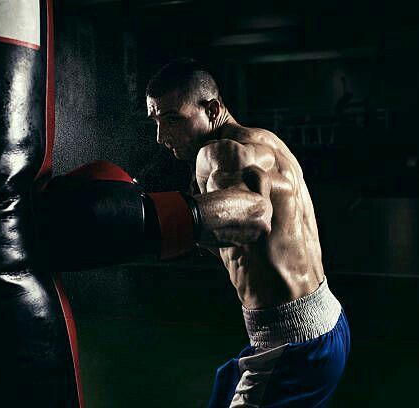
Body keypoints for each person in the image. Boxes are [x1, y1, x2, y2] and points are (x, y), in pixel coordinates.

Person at [146, 58, 351, 407]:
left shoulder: (216, 152)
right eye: (155, 120)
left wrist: (146, 221)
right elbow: (237, 243)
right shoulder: (266, 141)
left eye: (172, 118)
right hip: (328, 324)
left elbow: (255, 214)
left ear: (211, 109)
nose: (161, 137)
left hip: (291, 348)